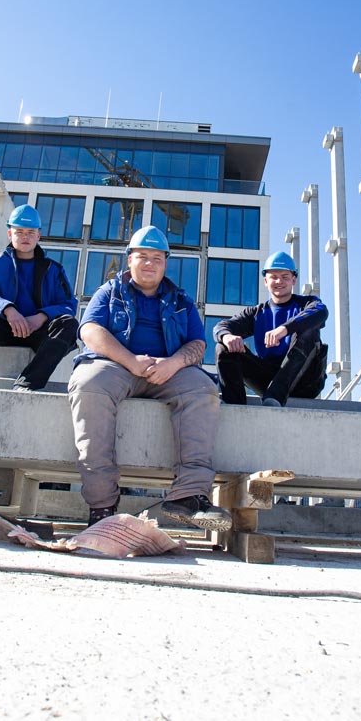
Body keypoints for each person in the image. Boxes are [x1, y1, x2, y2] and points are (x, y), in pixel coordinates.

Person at [67, 225, 231, 530]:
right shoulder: (110, 291)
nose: (150, 263)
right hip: (116, 365)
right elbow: (89, 330)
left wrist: (173, 363)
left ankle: (189, 496)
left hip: (168, 369)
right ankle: (102, 505)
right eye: (142, 256)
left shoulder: (181, 301)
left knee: (203, 389)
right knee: (88, 384)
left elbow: (198, 345)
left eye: (157, 257)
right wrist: (130, 360)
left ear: (165, 263)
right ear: (129, 259)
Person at [0, 204, 79, 391]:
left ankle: (28, 382)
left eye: (30, 232)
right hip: (3, 328)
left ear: (38, 235)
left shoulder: (54, 269)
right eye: (19, 232)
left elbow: (68, 304)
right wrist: (8, 310)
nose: (25, 237)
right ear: (10, 235)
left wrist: (41, 316)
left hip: (38, 333)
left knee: (69, 324)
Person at [213, 251, 328, 407]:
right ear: (266, 281)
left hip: (304, 382)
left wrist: (285, 329)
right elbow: (222, 326)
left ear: (293, 280)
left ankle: (275, 397)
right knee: (224, 346)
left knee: (310, 331)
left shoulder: (307, 304)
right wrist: (227, 336)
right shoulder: (257, 313)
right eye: (273, 277)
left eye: (285, 277)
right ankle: (235, 405)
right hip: (268, 380)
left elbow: (321, 312)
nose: (279, 281)